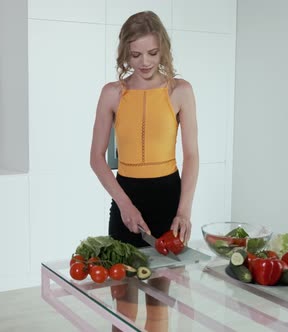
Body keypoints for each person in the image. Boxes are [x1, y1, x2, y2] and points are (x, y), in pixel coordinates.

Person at [89, 11, 199, 331]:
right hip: (126, 198)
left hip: (167, 200)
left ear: (163, 48)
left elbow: (191, 155)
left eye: (152, 53)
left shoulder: (180, 91)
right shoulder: (112, 93)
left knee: (157, 301)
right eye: (136, 55)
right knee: (122, 304)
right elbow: (96, 158)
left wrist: (184, 212)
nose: (145, 62)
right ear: (125, 53)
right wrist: (124, 204)